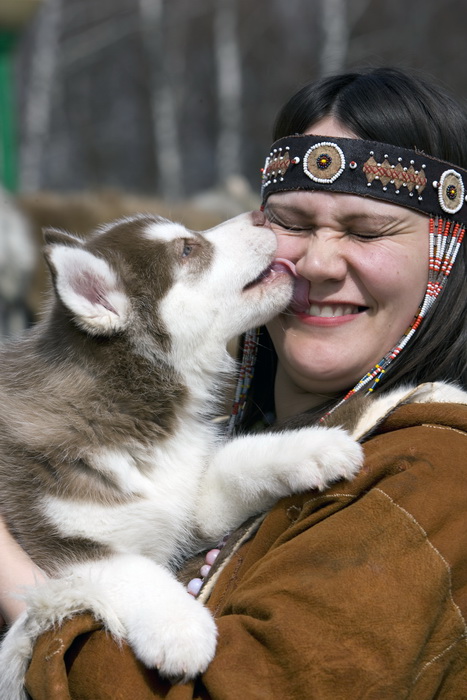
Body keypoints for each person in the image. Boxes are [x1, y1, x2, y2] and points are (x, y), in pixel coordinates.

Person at [1, 66, 467, 698]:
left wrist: (19, 587)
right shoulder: (239, 433)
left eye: (365, 231)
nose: (319, 263)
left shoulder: (434, 473)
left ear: (443, 260)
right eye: (294, 222)